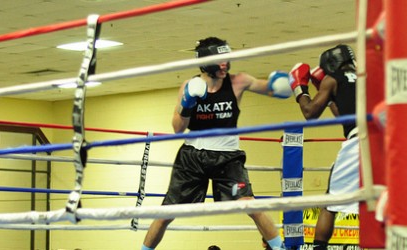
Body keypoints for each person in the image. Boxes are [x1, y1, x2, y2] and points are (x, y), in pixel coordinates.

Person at [140, 37, 293, 250]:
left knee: (251, 205)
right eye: (220, 60)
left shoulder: (239, 81)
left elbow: (270, 88)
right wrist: (187, 103)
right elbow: (177, 128)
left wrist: (289, 84)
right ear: (205, 62)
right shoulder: (189, 86)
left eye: (227, 60)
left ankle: (279, 248)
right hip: (192, 156)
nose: (225, 65)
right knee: (166, 213)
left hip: (228, 159)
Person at [289, 44, 358, 250]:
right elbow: (345, 117)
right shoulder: (367, 76)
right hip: (387, 141)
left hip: (359, 141)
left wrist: (300, 89)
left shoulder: (333, 79)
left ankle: (319, 248)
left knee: (329, 203)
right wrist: (329, 100)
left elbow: (310, 113)